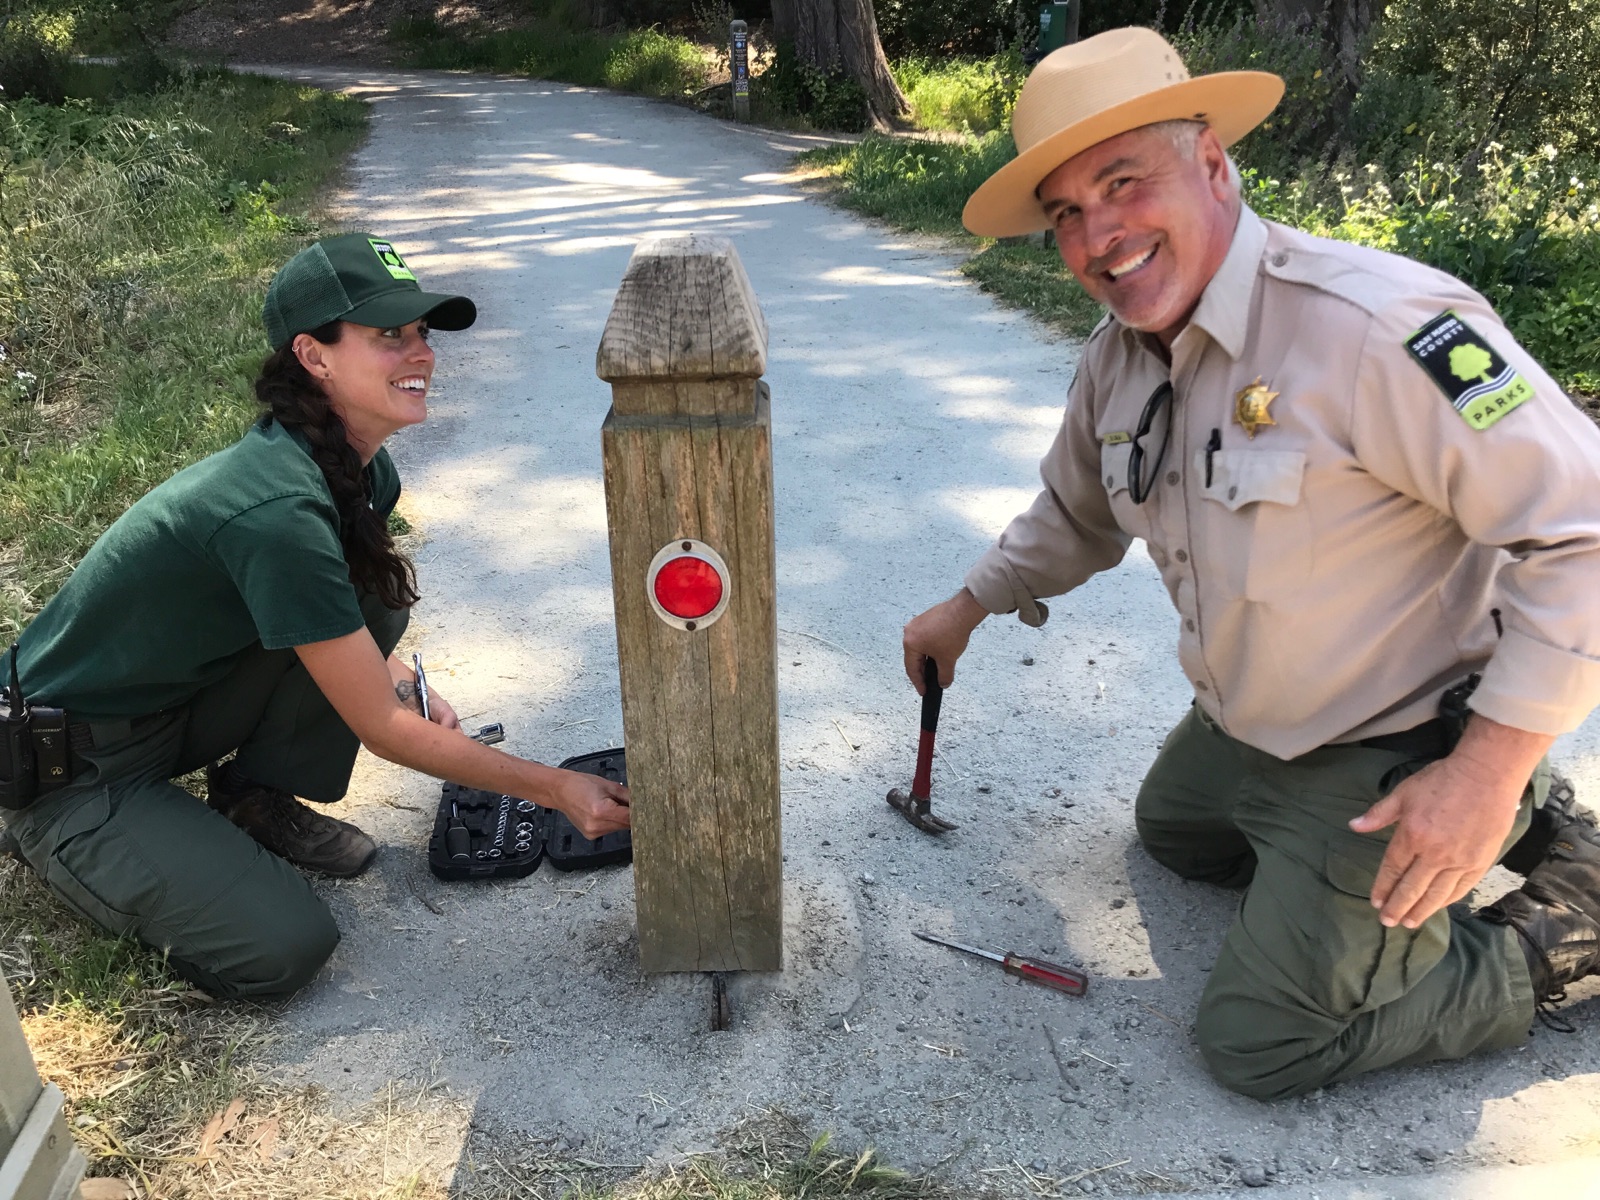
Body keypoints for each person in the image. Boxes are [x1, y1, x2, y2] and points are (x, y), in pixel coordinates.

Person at [902, 28, 1600, 1100]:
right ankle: (1519, 819)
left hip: (1396, 743)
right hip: (1252, 727)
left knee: (1258, 1042)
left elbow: (1582, 526)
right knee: (1173, 833)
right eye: (1065, 213)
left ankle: (1554, 925)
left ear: (1213, 165)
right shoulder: (1118, 355)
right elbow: (1077, 511)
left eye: (1122, 180)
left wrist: (1483, 771)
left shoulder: (1377, 330)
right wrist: (968, 605)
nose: (1098, 234)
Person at [0, 233, 631, 999]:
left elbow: (349, 633)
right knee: (286, 946)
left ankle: (252, 801)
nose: (421, 353)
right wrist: (557, 789)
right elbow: (382, 730)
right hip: (69, 767)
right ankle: (66, 843)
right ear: (314, 354)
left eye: (423, 334)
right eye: (389, 335)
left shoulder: (357, 467)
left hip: (169, 711)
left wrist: (393, 675)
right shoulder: (273, 509)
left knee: (371, 601)